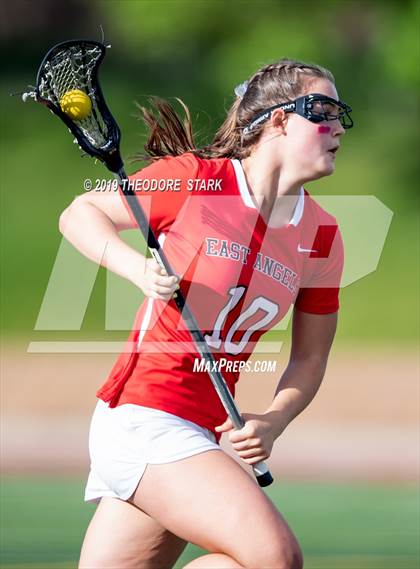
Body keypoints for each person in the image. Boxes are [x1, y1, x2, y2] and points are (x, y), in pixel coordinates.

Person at [59, 58, 351, 569]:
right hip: (143, 416)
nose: (337, 126)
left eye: (341, 113)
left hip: (201, 430)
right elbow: (80, 214)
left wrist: (275, 421)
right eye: (321, 110)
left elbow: (310, 357)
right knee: (274, 557)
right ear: (279, 120)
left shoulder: (323, 236)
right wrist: (136, 269)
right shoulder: (196, 179)